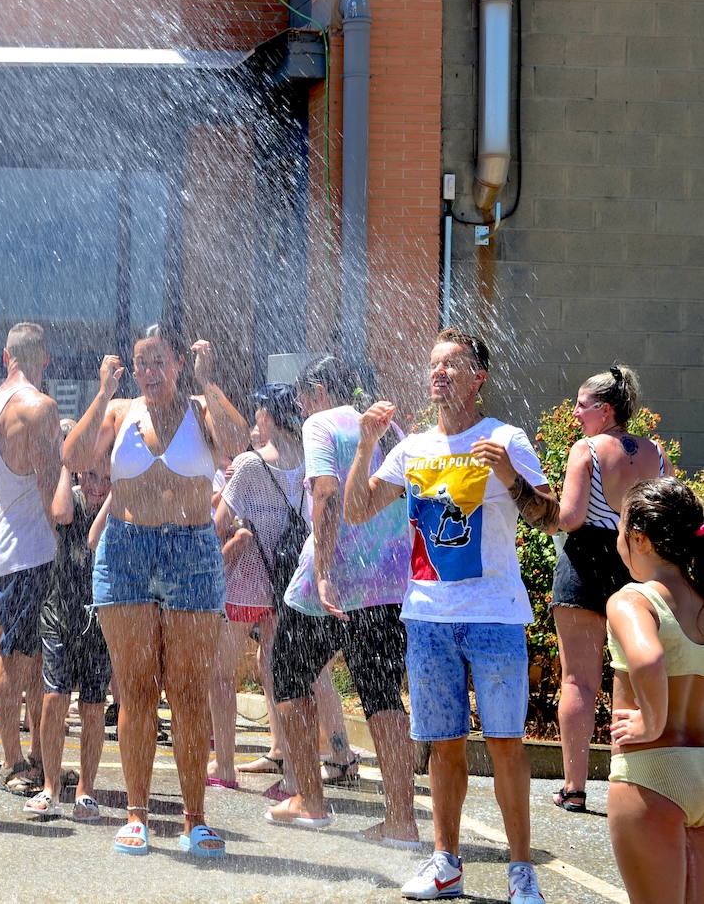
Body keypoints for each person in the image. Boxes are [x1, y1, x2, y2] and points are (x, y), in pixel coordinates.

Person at [344, 328, 557, 903]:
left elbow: (551, 519)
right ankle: (446, 863)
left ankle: (522, 872)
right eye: (433, 364)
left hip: (494, 616)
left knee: (507, 743)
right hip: (427, 617)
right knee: (443, 743)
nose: (438, 373)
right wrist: (366, 442)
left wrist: (510, 478)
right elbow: (358, 509)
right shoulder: (411, 446)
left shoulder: (505, 438)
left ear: (478, 376)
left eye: (452, 365)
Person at [63, 324, 249, 857]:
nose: (149, 372)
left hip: (191, 552)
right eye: (141, 362)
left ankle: (195, 818)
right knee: (136, 687)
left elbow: (237, 444)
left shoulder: (200, 407)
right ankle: (137, 814)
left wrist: (210, 382)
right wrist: (101, 392)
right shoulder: (119, 411)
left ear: (178, 364)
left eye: (159, 361)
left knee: (189, 689)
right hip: (125, 553)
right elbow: (74, 459)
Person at [261, 358, 419, 848]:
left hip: (333, 577)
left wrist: (325, 571)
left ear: (319, 390)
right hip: (390, 578)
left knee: (287, 672)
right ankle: (402, 821)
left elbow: (326, 496)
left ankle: (310, 799)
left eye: (302, 397)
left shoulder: (321, 423)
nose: (299, 408)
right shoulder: (388, 427)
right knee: (381, 693)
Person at [207, 382, 356, 795]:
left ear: (267, 417)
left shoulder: (251, 464)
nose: (255, 419)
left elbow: (220, 522)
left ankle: (224, 767)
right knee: (283, 673)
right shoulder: (311, 459)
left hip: (249, 575)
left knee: (220, 673)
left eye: (258, 412)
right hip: (293, 576)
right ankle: (293, 771)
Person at [551, 365, 671, 812]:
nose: (576, 413)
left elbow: (571, 518)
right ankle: (624, 784)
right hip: (633, 561)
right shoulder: (655, 453)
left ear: (604, 410)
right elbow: (670, 509)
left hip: (584, 560)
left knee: (578, 680)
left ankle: (575, 788)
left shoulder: (585, 450)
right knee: (628, 675)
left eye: (582, 405)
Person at [604, 477, 704, 904]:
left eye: (621, 527)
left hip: (652, 775)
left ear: (639, 540)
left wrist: (650, 721)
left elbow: (648, 659)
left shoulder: (633, 600)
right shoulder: (701, 600)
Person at [0, 323, 64, 798]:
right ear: (44, 359)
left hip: (8, 539)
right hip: (38, 547)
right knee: (26, 658)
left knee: (16, 654)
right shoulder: (40, 407)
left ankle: (26, 757)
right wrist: (68, 544)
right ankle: (17, 760)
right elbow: (52, 488)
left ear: (4, 355)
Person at [21, 458, 112, 821]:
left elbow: (97, 541)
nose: (97, 485)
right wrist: (65, 464)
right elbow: (59, 514)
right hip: (60, 615)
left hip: (99, 621)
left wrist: (115, 492)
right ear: (78, 475)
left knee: (93, 707)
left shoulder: (118, 506)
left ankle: (86, 790)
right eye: (90, 475)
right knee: (55, 698)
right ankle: (50, 786)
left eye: (106, 478)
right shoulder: (71, 500)